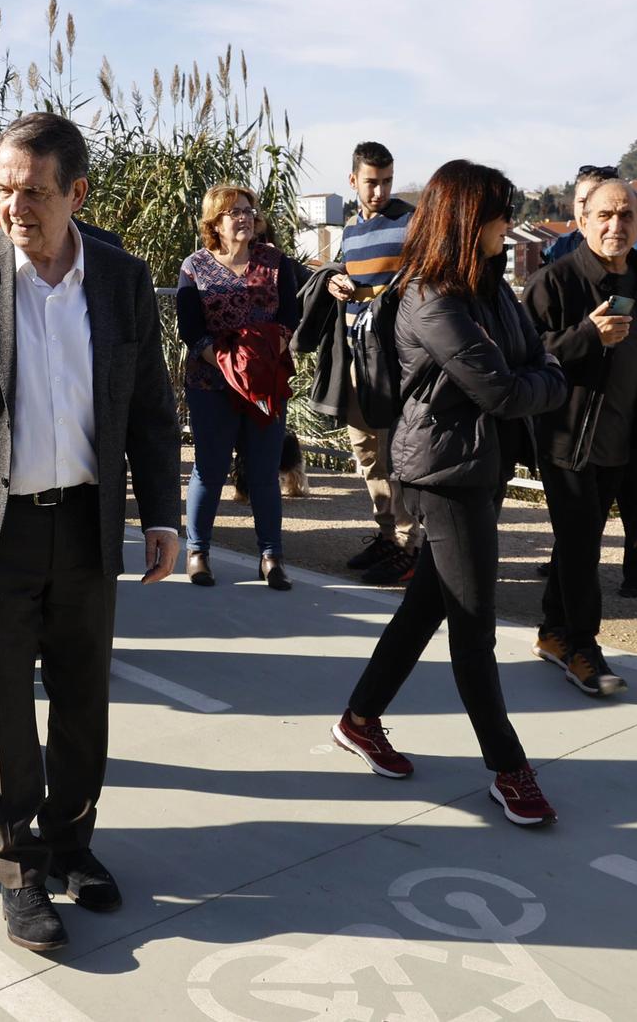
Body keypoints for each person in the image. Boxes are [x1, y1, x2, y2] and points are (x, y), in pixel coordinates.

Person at [0, 112, 181, 953]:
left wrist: (161, 513)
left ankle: (71, 840)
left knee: (84, 697)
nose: (15, 207)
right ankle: (19, 864)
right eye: (3, 189)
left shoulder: (123, 279)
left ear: (77, 193)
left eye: (34, 191)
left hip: (86, 526)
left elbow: (151, 411)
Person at [331, 160, 567, 827]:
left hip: (480, 465)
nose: (507, 224)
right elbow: (508, 387)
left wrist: (539, 373)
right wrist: (546, 377)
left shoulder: (488, 285)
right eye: (499, 212)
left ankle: (359, 717)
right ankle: (507, 766)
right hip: (444, 474)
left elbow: (535, 357)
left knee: (425, 606)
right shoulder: (432, 297)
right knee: (473, 627)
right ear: (470, 219)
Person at [522, 180, 637, 697]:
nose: (616, 225)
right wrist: (588, 335)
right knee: (583, 545)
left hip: (624, 440)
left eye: (627, 215)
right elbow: (523, 357)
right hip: (568, 439)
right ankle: (583, 648)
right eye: (605, 215)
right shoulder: (555, 281)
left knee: (578, 543)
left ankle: (552, 632)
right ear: (582, 218)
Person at [175, 184, 303, 589]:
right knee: (209, 470)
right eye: (234, 212)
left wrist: (259, 362)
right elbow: (190, 329)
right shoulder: (194, 267)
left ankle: (271, 557)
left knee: (264, 471)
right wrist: (231, 366)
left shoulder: (276, 262)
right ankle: (197, 553)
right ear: (215, 222)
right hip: (210, 382)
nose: (245, 217)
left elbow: (290, 317)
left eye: (249, 210)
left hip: (265, 384)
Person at [326, 142, 419, 582]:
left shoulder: (411, 222)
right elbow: (340, 271)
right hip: (355, 357)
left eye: (385, 181)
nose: (379, 191)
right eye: (370, 182)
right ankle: (387, 535)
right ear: (353, 181)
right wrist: (336, 281)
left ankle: (409, 543)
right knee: (366, 453)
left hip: (397, 358)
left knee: (397, 453)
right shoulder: (349, 231)